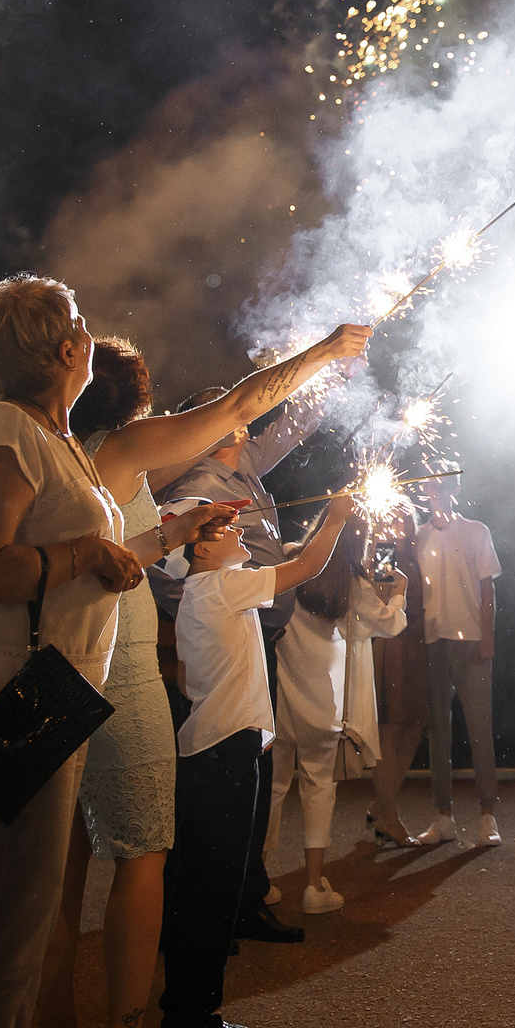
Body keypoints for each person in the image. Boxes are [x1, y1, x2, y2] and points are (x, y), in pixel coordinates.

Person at [0, 273, 367, 1028]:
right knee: (4, 921)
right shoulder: (5, 429)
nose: (90, 336)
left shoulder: (54, 436)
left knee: (30, 906)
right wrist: (84, 551)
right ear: (66, 350)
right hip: (19, 699)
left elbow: (99, 562)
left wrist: (166, 540)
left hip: (61, 694)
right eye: (80, 324)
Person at [35, 338, 239, 1028]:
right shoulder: (121, 443)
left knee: (60, 865)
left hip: (54, 662)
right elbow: (235, 408)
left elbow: (112, 545)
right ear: (136, 396)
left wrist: (175, 531)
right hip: (117, 668)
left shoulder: (55, 450)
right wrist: (320, 355)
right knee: (145, 850)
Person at [160, 489, 351, 1028]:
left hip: (215, 752)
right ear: (200, 548)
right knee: (211, 893)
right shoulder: (220, 587)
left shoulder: (210, 588)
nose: (238, 527)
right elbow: (309, 566)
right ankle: (192, 1021)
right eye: (223, 525)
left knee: (206, 889)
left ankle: (190, 1014)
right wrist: (336, 517)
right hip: (223, 756)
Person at [154, 374, 341, 941]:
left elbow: (289, 427)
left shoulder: (244, 463)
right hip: (237, 625)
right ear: (203, 431)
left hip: (257, 626)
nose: (239, 418)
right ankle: (215, 912)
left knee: (255, 766)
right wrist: (207, 606)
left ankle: (240, 898)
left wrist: (329, 380)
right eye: (220, 413)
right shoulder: (195, 483)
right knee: (235, 777)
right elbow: (168, 566)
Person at [267, 507, 407, 912]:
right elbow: (388, 624)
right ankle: (313, 887)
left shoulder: (290, 558)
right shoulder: (353, 582)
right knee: (318, 789)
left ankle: (258, 880)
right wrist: (399, 590)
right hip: (323, 704)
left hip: (280, 699)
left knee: (273, 789)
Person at [416, 466, 504, 846]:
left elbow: (488, 591)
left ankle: (488, 816)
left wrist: (488, 639)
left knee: (479, 729)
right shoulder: (418, 537)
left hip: (470, 641)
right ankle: (443, 816)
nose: (433, 491)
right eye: (428, 485)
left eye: (439, 485)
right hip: (433, 641)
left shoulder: (475, 530)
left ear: (452, 488)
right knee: (438, 730)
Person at [366, 501, 432, 851]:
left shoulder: (420, 550)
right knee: (390, 729)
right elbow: (380, 604)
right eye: (394, 516)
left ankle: (381, 805)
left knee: (414, 727)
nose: (400, 522)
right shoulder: (384, 553)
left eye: (405, 516)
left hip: (417, 644)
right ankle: (390, 817)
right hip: (391, 644)